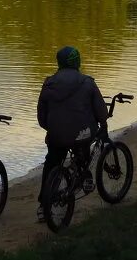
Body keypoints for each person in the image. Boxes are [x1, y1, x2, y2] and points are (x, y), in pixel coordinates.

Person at [36, 45, 109, 222]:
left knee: (52, 161)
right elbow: (100, 111)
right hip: (81, 134)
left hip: (56, 135)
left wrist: (51, 129)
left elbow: (41, 116)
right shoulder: (87, 82)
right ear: (77, 61)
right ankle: (85, 176)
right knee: (83, 141)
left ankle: (43, 204)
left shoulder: (48, 83)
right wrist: (103, 122)